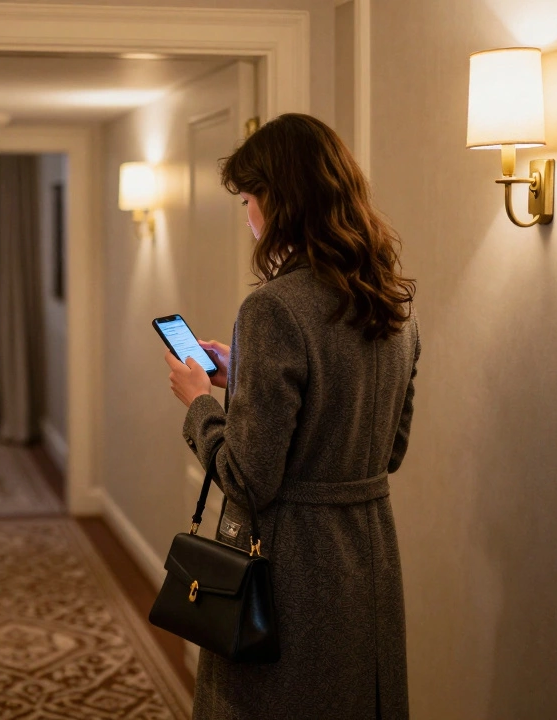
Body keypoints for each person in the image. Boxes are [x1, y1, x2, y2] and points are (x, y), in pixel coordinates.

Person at [162, 113, 419, 719]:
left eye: (248, 199)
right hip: (370, 560)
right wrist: (245, 376)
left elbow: (249, 478)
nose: (247, 215)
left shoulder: (273, 309)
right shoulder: (393, 303)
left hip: (291, 573)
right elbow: (388, 449)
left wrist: (200, 403)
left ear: (279, 201)